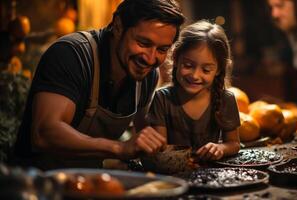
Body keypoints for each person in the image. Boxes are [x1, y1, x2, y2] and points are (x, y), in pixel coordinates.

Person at [12, 0, 185, 169]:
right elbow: (44, 133)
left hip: (90, 184)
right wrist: (119, 148)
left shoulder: (148, 76)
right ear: (118, 26)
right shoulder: (71, 55)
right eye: (143, 43)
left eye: (162, 49)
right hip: (36, 184)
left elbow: (148, 140)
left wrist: (189, 155)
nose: (150, 58)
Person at [147, 20, 241, 161]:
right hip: (175, 174)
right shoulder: (161, 99)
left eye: (206, 70)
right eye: (188, 65)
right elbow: (161, 149)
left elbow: (234, 143)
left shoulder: (225, 100)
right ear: (176, 58)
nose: (195, 75)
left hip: (213, 176)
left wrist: (220, 148)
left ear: (218, 70)